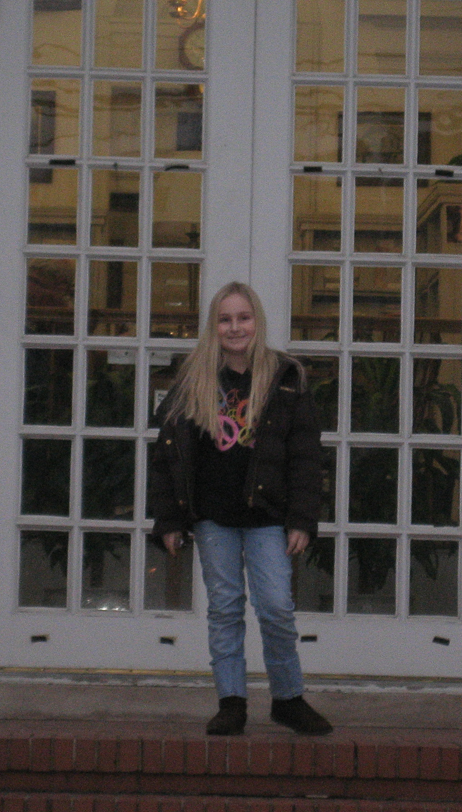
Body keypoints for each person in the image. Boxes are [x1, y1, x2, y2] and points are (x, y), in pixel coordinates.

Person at [149, 281, 332, 737]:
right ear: (214, 326)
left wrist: (302, 518)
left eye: (243, 318)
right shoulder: (194, 378)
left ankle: (287, 699)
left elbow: (306, 456)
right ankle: (231, 702)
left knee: (276, 607)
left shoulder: (286, 377)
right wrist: (169, 519)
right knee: (225, 608)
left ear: (257, 321)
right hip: (214, 517)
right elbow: (168, 457)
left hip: (268, 516)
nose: (235, 328)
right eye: (225, 319)